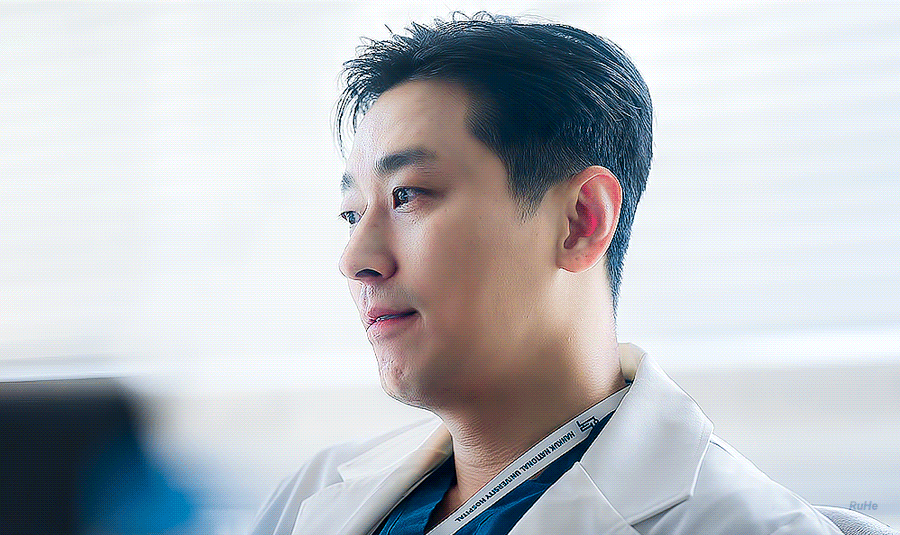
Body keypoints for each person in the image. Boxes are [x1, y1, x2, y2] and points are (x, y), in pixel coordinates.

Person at [250, 13, 843, 535]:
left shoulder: (743, 525)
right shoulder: (309, 493)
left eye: (407, 195)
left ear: (582, 222)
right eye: (352, 213)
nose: (355, 260)